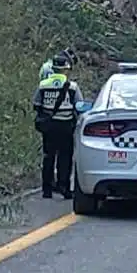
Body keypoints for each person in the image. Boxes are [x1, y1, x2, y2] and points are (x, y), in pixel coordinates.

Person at [31, 52, 84, 199]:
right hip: (66, 126)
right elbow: (79, 106)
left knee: (48, 157)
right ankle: (64, 188)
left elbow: (36, 104)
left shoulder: (43, 85)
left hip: (49, 127)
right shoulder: (72, 86)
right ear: (66, 69)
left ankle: (46, 190)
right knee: (65, 158)